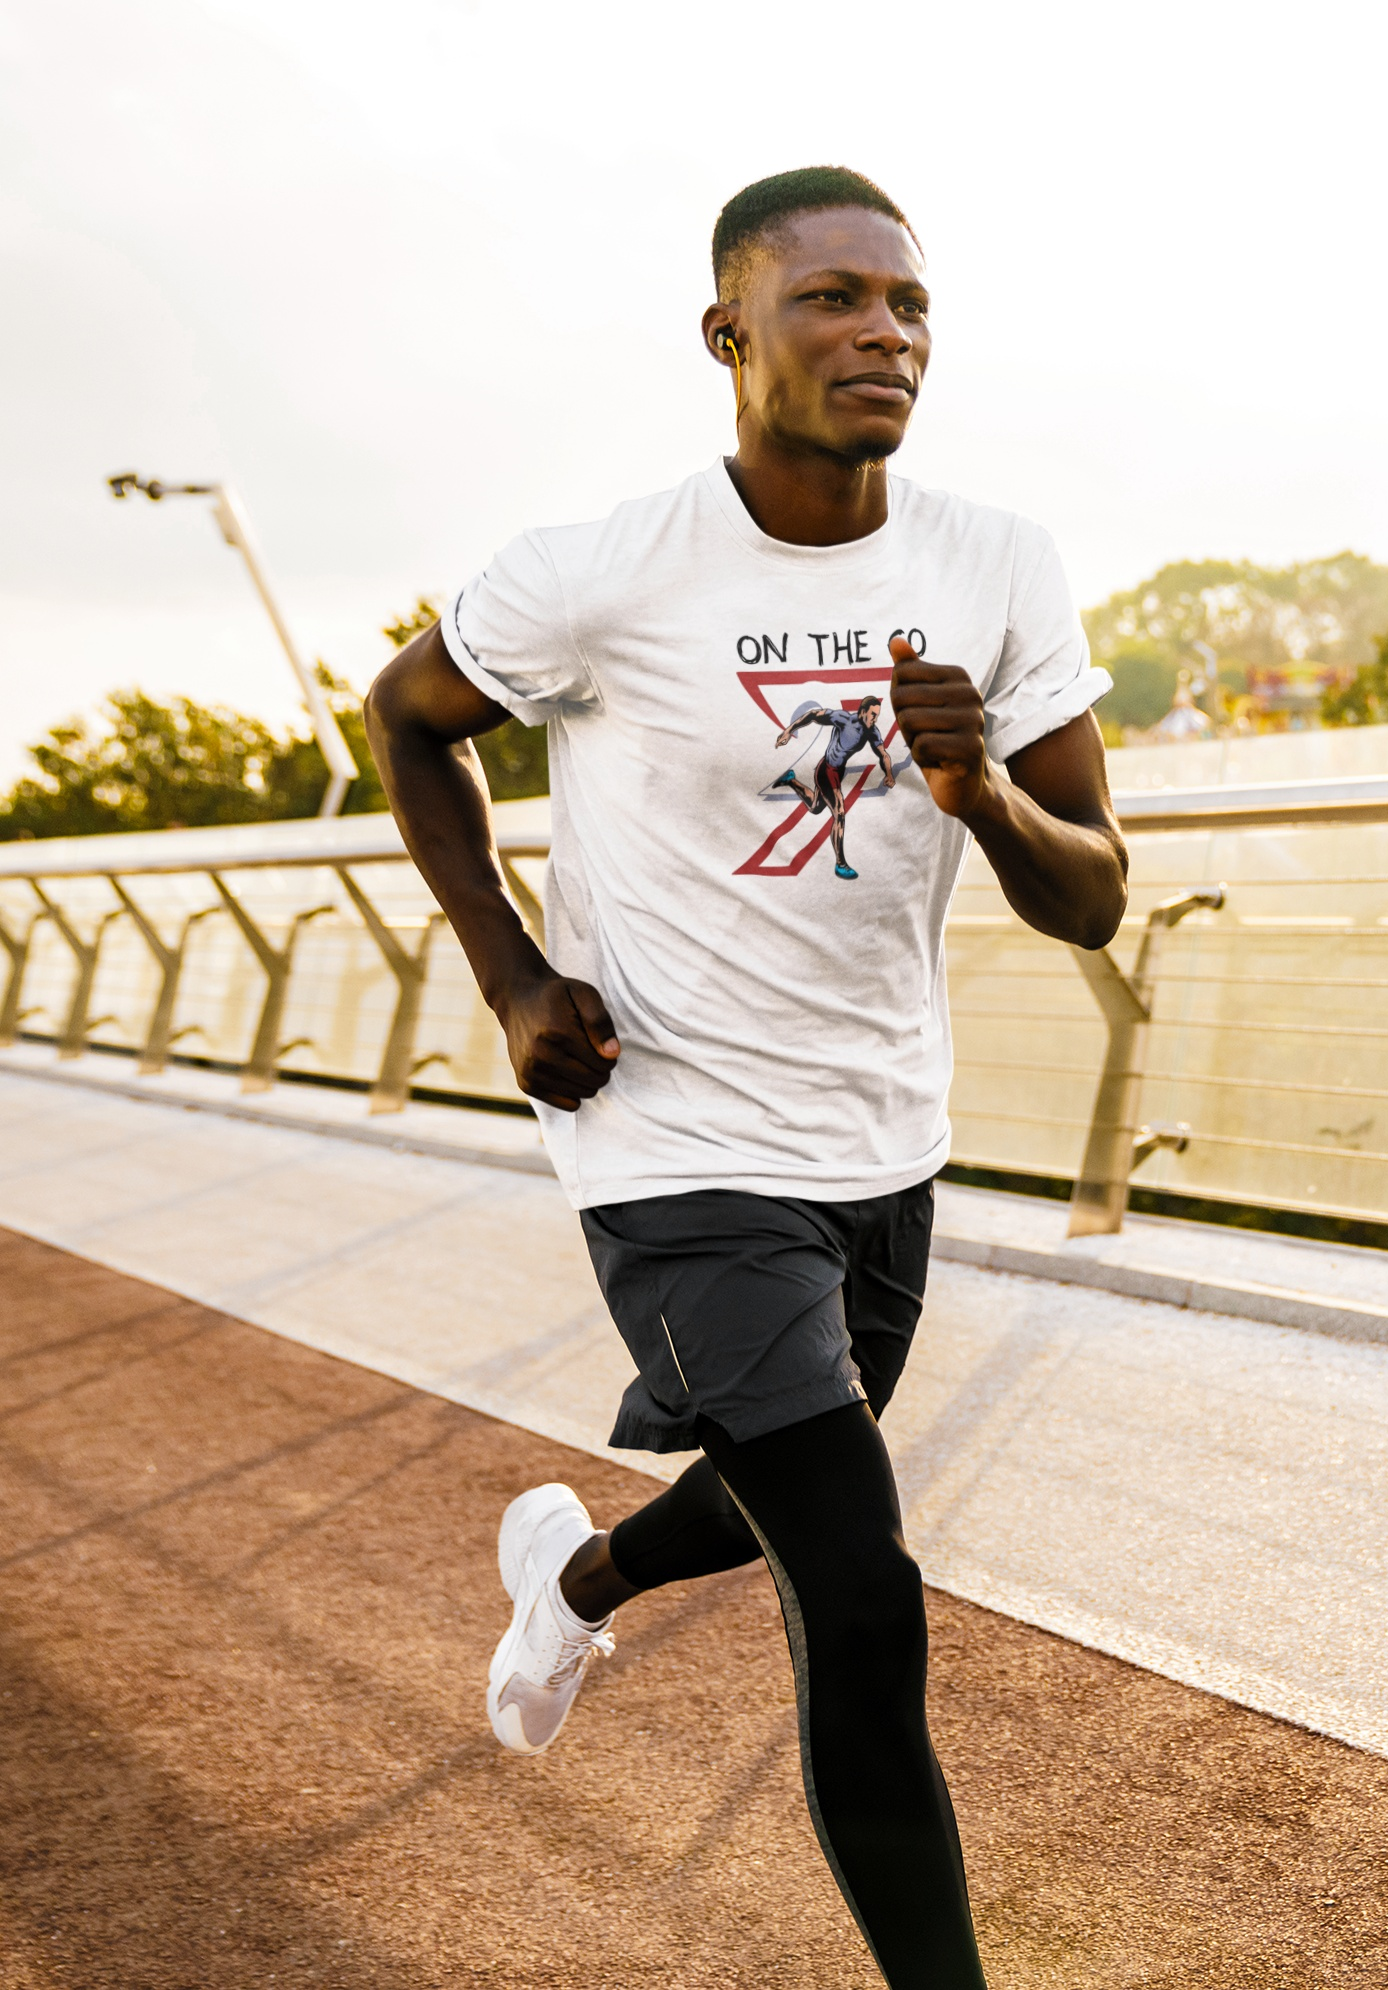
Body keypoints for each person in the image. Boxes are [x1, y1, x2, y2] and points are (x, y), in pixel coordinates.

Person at [365, 164, 1127, 1990]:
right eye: (833, 300)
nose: (883, 332)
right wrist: (510, 973)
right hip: (668, 1135)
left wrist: (984, 796)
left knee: (803, 1475)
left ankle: (578, 1582)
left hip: (882, 1133)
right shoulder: (601, 572)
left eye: (909, 305)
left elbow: (1094, 889)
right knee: (859, 1589)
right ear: (731, 334)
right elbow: (408, 719)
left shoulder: (998, 561)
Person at [772, 692, 894, 878]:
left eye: (877, 715)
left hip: (838, 772)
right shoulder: (843, 719)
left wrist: (889, 775)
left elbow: (883, 754)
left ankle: (790, 780)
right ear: (862, 712)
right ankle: (840, 864)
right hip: (826, 770)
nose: (875, 719)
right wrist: (788, 731)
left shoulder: (872, 731)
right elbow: (813, 714)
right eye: (872, 714)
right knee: (840, 813)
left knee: (815, 807)